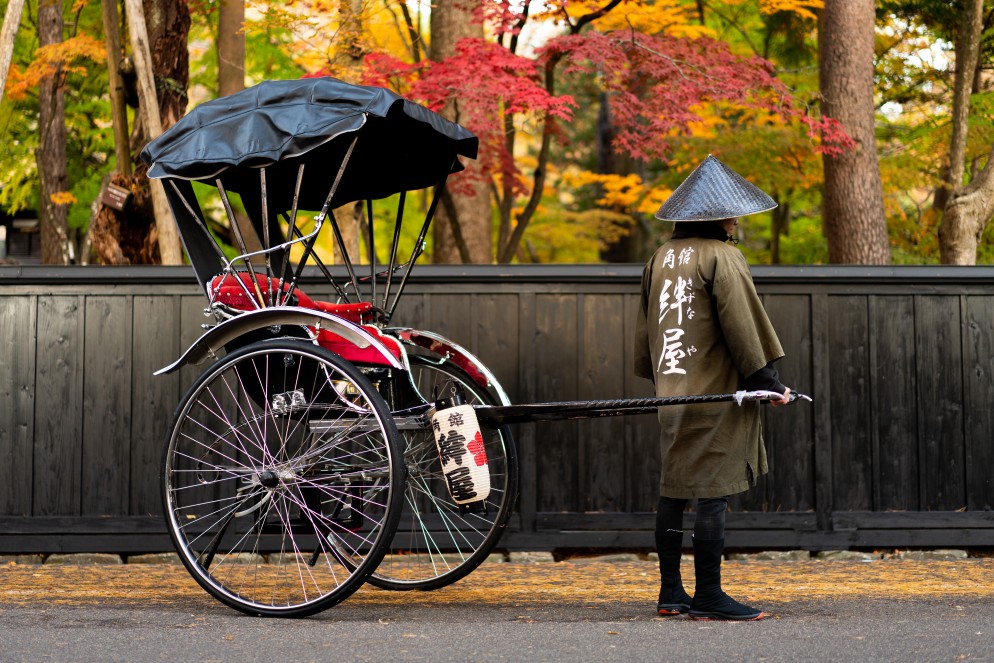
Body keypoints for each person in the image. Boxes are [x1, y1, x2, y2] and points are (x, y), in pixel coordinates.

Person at [634, 154, 792, 622]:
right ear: (717, 216)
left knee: (674, 488)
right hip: (716, 392)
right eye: (733, 214)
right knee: (712, 492)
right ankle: (708, 595)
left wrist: (664, 379)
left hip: (672, 390)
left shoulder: (659, 258)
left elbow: (645, 335)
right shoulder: (723, 257)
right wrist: (768, 383)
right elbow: (743, 327)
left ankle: (670, 592)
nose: (736, 221)